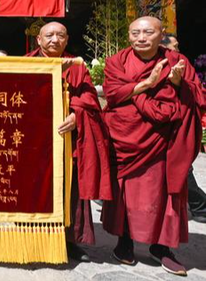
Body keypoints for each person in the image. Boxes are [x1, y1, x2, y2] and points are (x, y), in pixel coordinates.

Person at [101, 17, 205, 276]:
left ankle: (161, 247)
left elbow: (198, 96)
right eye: (135, 32)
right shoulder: (117, 62)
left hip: (162, 139)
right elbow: (113, 94)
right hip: (126, 135)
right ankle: (124, 241)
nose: (141, 37)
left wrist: (179, 83)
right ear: (128, 35)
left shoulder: (177, 62)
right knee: (124, 193)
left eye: (148, 32)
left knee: (163, 194)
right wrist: (147, 85)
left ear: (161, 35)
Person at [25, 22, 113, 261]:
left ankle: (69, 240)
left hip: (66, 140)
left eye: (60, 35)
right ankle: (31, 238)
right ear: (39, 40)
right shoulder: (26, 62)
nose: (55, 39)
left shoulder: (77, 65)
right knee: (32, 188)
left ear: (67, 39)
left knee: (69, 188)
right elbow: (18, 95)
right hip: (33, 141)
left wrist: (77, 115)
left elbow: (90, 99)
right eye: (49, 35)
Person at [160, 35, 206, 224]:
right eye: (175, 46)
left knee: (180, 167)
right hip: (154, 124)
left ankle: (200, 206)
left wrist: (179, 83)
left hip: (177, 124)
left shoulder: (181, 63)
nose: (178, 50)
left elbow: (198, 93)